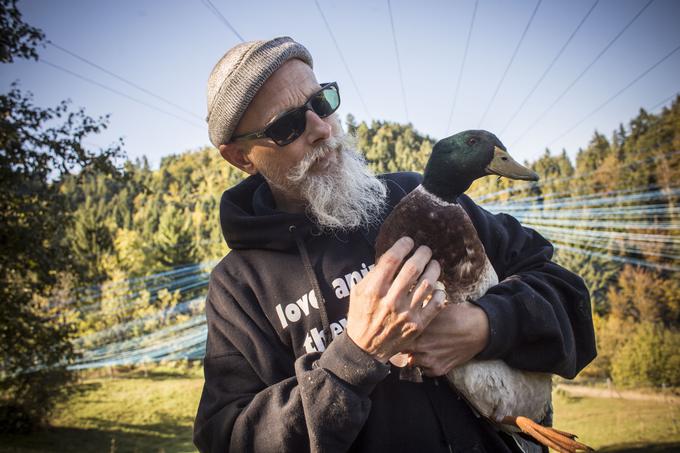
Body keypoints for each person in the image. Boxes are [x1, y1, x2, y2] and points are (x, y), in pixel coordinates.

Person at [193, 36, 596, 453]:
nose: (320, 128)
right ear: (240, 157)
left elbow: (565, 294)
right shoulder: (238, 286)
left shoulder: (423, 199)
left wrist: (484, 325)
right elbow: (228, 438)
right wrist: (354, 357)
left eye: (322, 102)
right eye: (286, 127)